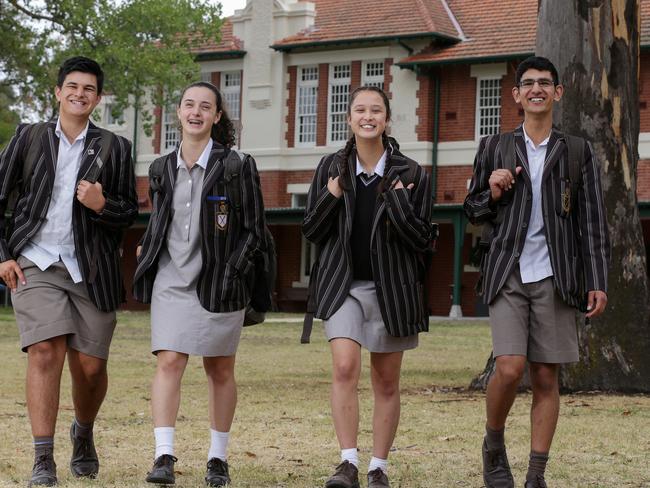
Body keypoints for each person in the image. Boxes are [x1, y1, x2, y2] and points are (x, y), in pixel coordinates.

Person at [464, 56, 610, 488]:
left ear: (557, 92)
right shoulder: (494, 147)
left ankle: (535, 476)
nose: (536, 89)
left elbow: (593, 223)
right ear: (516, 96)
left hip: (557, 274)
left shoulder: (578, 151)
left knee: (547, 375)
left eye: (545, 83)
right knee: (509, 367)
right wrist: (490, 191)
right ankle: (493, 445)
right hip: (507, 271)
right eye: (528, 83)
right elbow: (471, 210)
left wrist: (598, 279)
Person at [0, 56, 138, 486]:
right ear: (58, 92)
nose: (79, 94)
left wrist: (102, 204)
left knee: (91, 369)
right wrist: (4, 254)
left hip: (91, 269)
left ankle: (83, 432)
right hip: (35, 260)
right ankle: (43, 459)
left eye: (89, 89)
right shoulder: (28, 137)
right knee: (44, 351)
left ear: (98, 98)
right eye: (72, 86)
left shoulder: (115, 147)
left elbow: (129, 213)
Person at [132, 81, 265, 487]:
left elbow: (255, 231)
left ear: (216, 116)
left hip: (222, 281)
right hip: (171, 279)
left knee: (219, 368)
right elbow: (160, 220)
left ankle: (218, 458)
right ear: (178, 112)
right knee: (169, 361)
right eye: (189, 104)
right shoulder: (159, 167)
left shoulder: (237, 165)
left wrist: (234, 271)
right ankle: (164, 456)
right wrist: (146, 246)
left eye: (205, 106)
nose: (196, 112)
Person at [302, 86, 433, 488]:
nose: (368, 116)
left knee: (386, 381)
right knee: (344, 367)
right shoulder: (329, 168)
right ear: (349, 119)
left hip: (392, 289)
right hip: (342, 286)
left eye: (376, 110)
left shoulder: (410, 174)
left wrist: (396, 202)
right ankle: (347, 463)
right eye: (360, 109)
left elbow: (424, 239)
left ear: (387, 119)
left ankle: (379, 467)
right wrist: (333, 192)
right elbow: (311, 229)